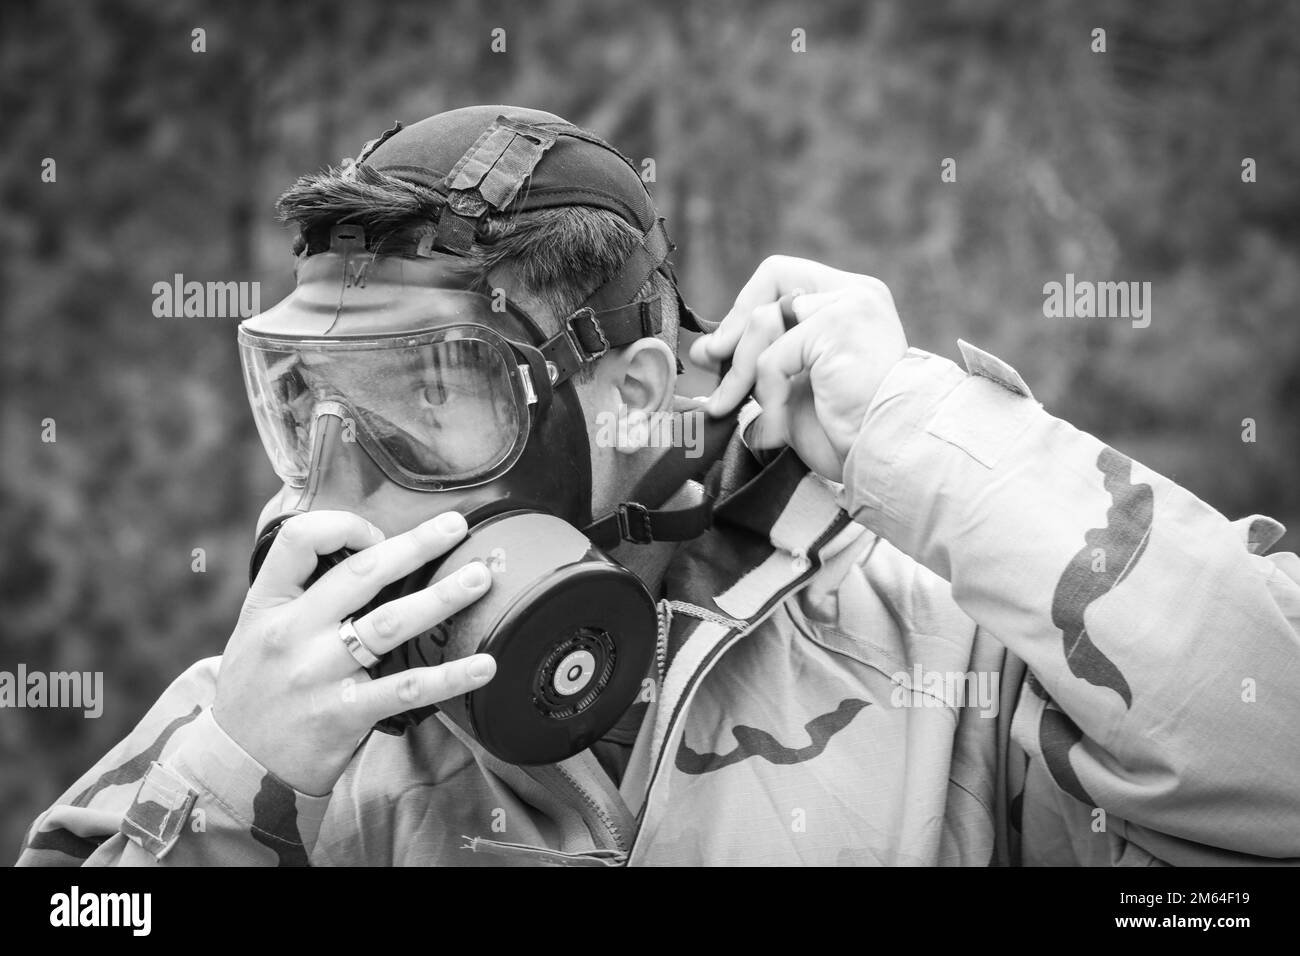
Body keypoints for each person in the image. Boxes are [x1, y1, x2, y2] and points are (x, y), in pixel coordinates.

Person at [18, 106, 1300, 867]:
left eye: (429, 391)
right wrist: (232, 779)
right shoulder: (290, 704)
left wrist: (922, 427)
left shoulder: (951, 657)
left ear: (633, 388)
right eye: (312, 397)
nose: (350, 476)